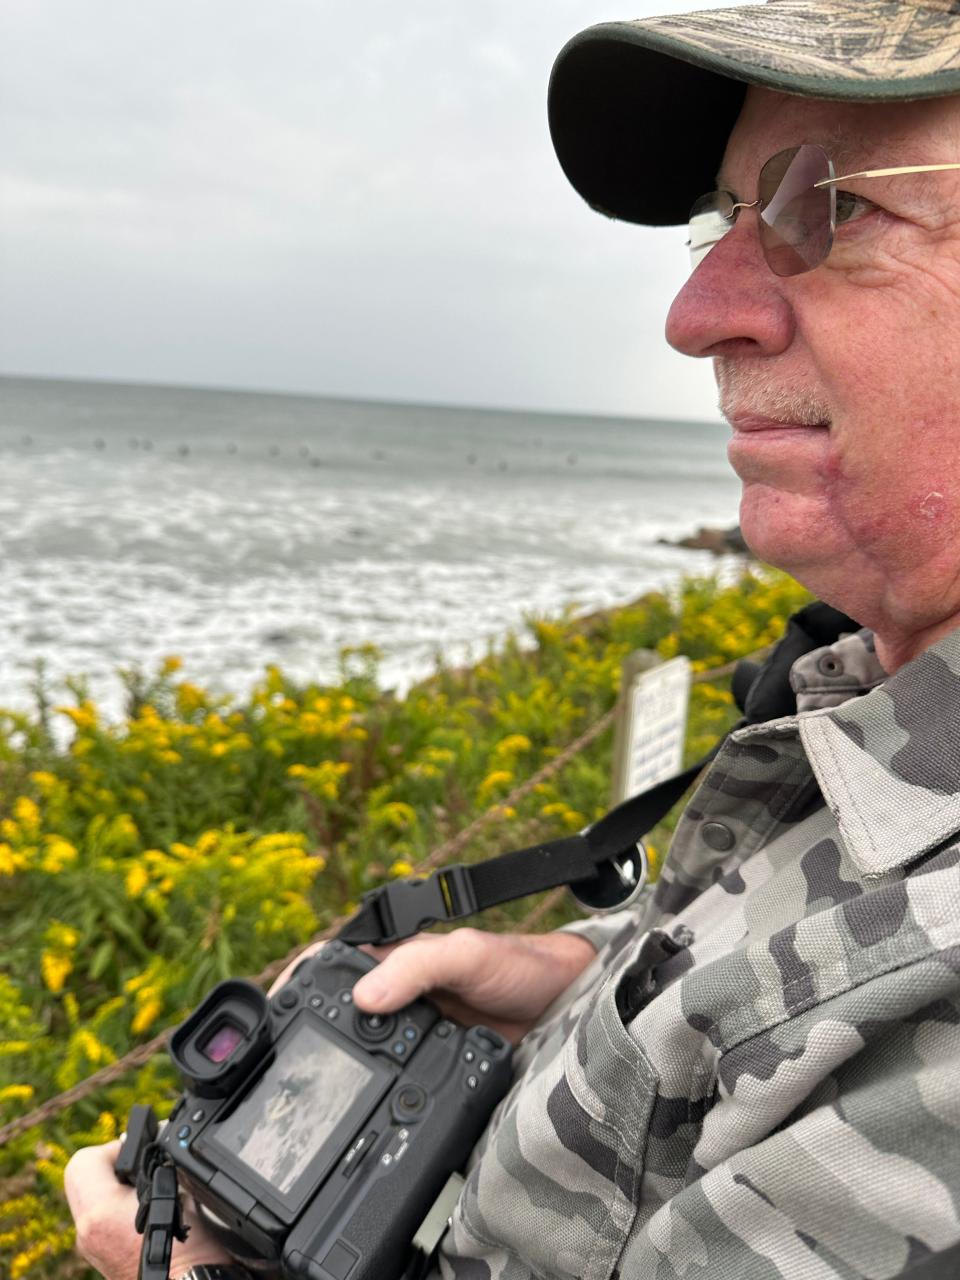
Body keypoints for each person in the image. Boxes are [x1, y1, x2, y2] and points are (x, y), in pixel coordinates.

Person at [65, 2, 960, 1277]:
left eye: (832, 204)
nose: (697, 310)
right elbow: (806, 961)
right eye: (726, 220)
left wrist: (172, 1268)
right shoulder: (871, 688)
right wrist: (583, 981)